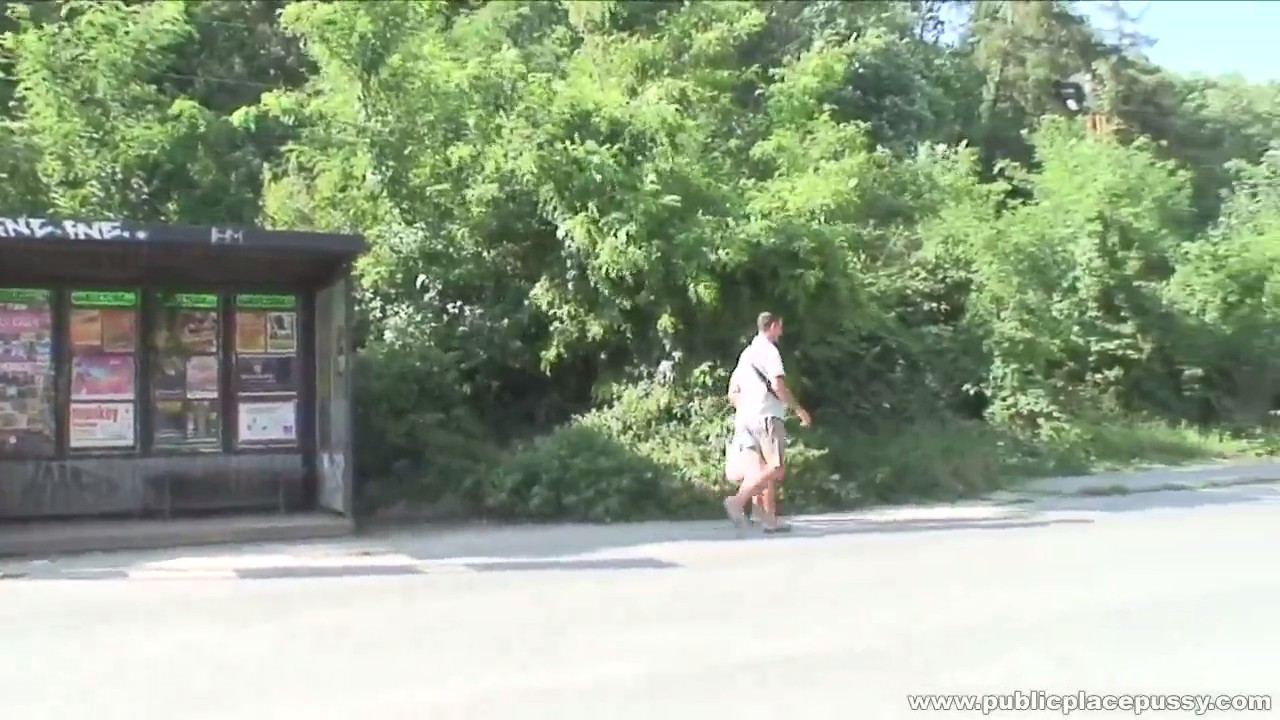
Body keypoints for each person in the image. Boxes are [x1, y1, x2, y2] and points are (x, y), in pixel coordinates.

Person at [723, 311, 811, 534]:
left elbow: (733, 391)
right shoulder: (770, 351)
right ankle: (737, 501)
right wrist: (798, 410)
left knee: (762, 469)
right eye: (780, 326)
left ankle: (767, 518)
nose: (781, 331)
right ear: (772, 326)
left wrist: (746, 407)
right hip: (767, 415)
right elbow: (778, 386)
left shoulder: (746, 354)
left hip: (746, 418)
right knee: (776, 467)